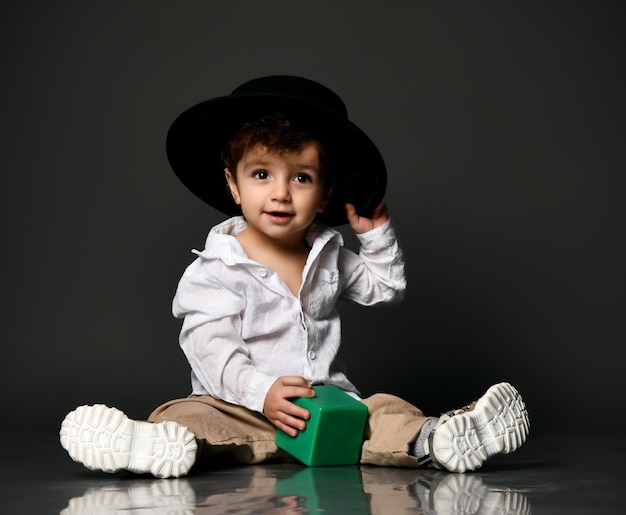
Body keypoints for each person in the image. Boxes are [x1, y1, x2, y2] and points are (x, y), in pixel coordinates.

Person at [60, 76, 529, 478]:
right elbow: (210, 350)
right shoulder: (215, 267)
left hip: (326, 406)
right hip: (242, 405)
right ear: (233, 184)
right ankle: (153, 445)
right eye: (261, 174)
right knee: (194, 416)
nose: (281, 193)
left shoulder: (328, 254)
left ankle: (437, 438)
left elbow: (385, 288)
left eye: (301, 178)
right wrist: (261, 393)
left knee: (382, 410)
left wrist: (377, 236)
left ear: (325, 193)